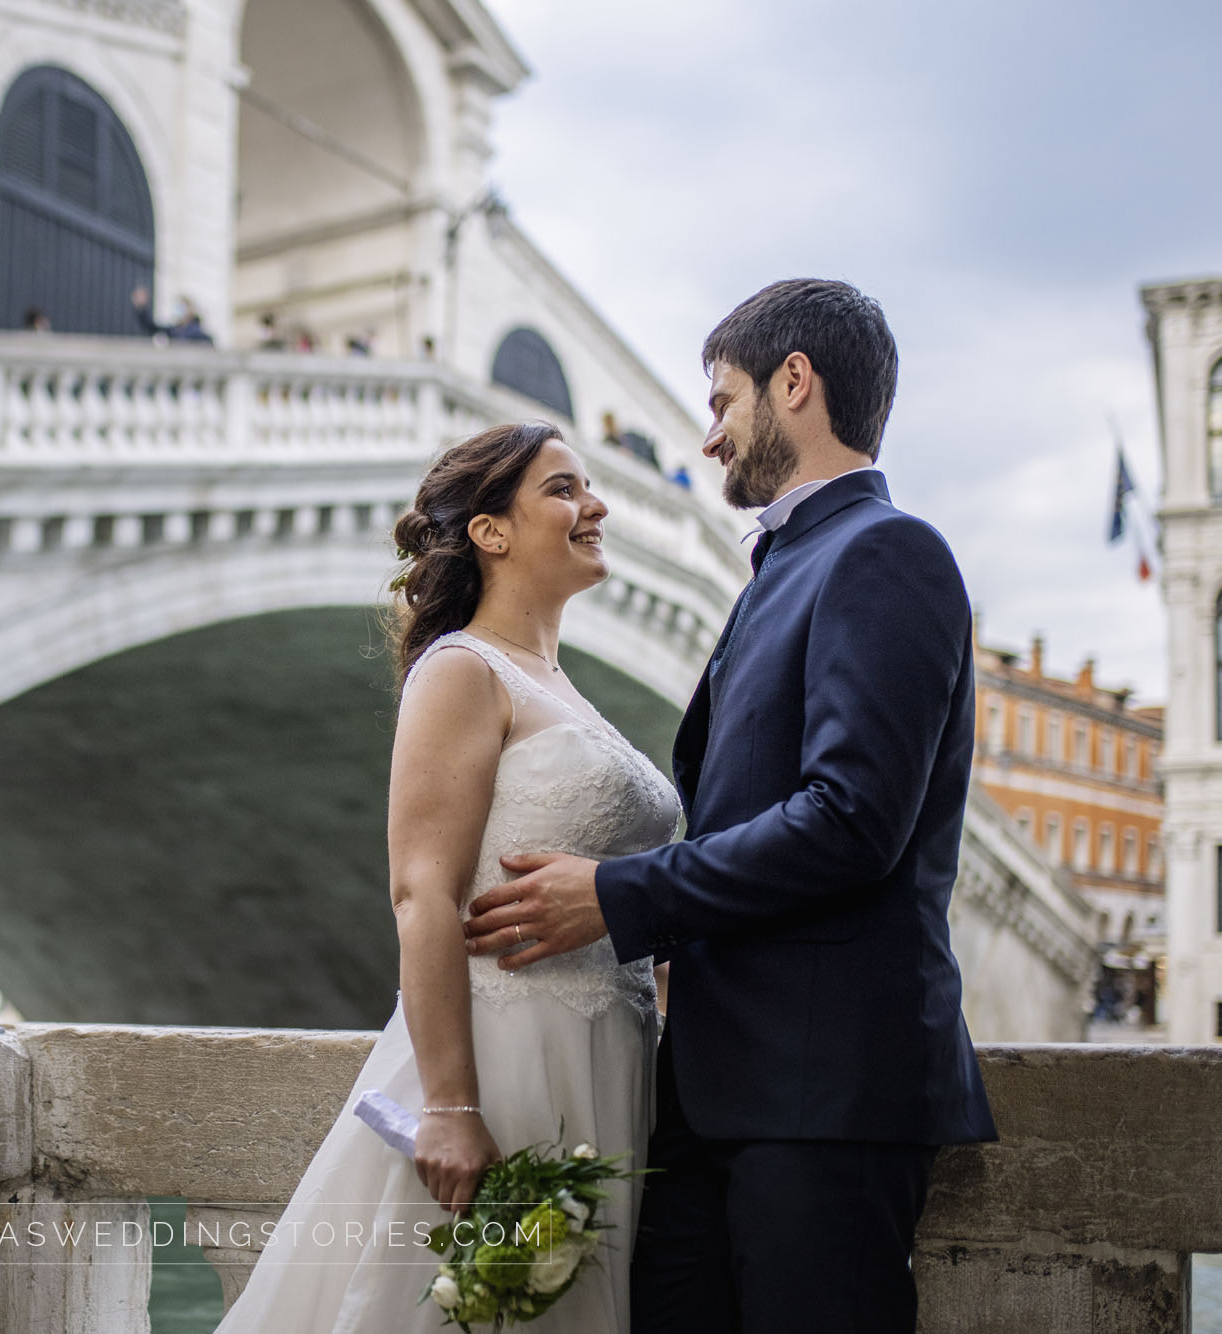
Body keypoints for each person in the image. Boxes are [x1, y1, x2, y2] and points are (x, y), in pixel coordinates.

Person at [460, 278, 997, 1333]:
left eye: (721, 401)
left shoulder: (885, 552)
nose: (707, 437)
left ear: (792, 382)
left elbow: (850, 819)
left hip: (823, 1096)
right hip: (721, 1095)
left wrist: (618, 895)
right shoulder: (784, 568)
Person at [213, 422, 677, 1333]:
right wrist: (454, 1108)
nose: (597, 506)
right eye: (564, 489)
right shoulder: (462, 670)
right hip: (510, 1060)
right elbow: (422, 893)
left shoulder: (562, 685)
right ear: (490, 531)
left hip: (611, 1061)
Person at [130, 285, 212, 344]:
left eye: (181, 307)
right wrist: (141, 309)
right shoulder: (174, 330)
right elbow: (152, 327)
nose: (178, 311)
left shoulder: (198, 334)